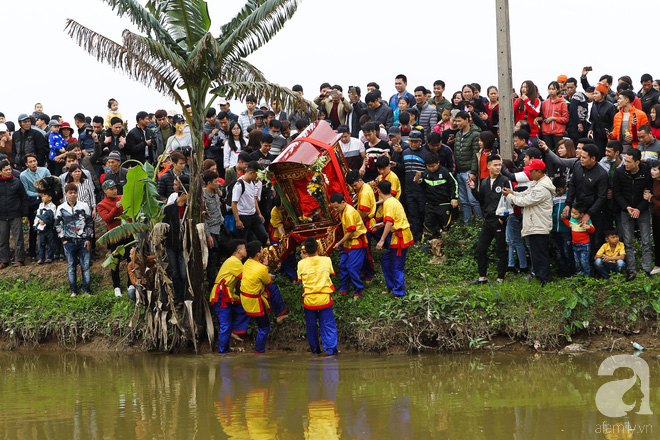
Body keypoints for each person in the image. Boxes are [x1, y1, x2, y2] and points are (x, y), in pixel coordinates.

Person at [503, 159, 555, 284]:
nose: (529, 174)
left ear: (539, 172)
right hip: (534, 224)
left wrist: (510, 196)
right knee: (536, 254)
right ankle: (540, 277)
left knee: (540, 254)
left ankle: (545, 280)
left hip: (539, 225)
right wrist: (513, 192)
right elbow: (525, 194)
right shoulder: (536, 183)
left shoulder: (542, 187)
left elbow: (525, 201)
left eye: (531, 171)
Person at [467, 154, 510, 284]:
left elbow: (510, 200)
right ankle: (482, 277)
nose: (498, 167)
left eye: (500, 165)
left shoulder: (504, 180)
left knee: (500, 249)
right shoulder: (484, 181)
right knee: (481, 248)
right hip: (488, 220)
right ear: (488, 166)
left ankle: (500, 278)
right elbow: (482, 201)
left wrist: (502, 218)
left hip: (499, 220)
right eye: (495, 165)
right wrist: (473, 190)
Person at [240, 241, 288, 353]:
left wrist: (265, 269)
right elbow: (269, 282)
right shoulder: (261, 268)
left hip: (245, 298)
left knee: (272, 290)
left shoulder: (246, 262)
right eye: (262, 249)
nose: (263, 251)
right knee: (264, 327)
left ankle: (279, 314)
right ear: (257, 254)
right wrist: (267, 270)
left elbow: (258, 275)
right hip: (254, 301)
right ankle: (259, 351)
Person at [613, 148, 653, 280]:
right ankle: (631, 270)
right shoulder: (620, 172)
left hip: (642, 209)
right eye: (625, 160)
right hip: (626, 209)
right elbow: (616, 192)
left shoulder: (647, 172)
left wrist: (639, 208)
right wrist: (627, 207)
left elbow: (649, 194)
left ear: (637, 162)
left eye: (629, 162)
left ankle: (646, 269)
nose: (625, 164)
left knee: (646, 241)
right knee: (627, 241)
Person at [297, 237, 338, 356]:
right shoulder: (327, 260)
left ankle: (315, 352)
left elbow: (300, 279)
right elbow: (332, 273)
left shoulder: (301, 263)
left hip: (309, 300)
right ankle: (331, 352)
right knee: (328, 325)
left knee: (311, 328)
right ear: (318, 248)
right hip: (324, 298)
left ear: (305, 250)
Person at [564, 144, 609, 253]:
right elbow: (572, 185)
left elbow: (602, 197)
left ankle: (596, 266)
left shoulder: (601, 174)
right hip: (579, 208)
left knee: (596, 240)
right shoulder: (578, 166)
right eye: (581, 156)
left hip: (595, 211)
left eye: (584, 157)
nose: (581, 159)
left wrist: (589, 214)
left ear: (593, 158)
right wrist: (568, 204)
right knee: (577, 236)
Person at [209, 239, 250, 353]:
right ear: (239, 250)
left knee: (245, 308)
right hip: (221, 295)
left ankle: (235, 331)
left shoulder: (234, 261)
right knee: (225, 324)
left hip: (228, 294)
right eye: (244, 248)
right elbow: (247, 276)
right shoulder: (234, 261)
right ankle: (223, 353)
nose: (246, 250)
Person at [374, 179, 413, 297]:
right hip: (398, 236)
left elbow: (390, 223)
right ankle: (392, 287)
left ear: (378, 191)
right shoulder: (393, 201)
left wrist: (381, 240)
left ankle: (400, 293)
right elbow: (393, 219)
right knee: (386, 261)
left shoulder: (388, 204)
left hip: (400, 237)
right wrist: (381, 224)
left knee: (397, 266)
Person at [55, 183, 94, 297]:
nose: (73, 195)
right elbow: (58, 224)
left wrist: (88, 238)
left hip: (83, 240)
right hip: (69, 241)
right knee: (71, 266)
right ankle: (73, 291)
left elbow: (89, 223)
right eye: (70, 193)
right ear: (65, 194)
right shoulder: (61, 208)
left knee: (85, 266)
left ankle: (86, 290)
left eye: (75, 192)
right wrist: (63, 239)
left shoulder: (84, 206)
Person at [330, 193, 369, 300]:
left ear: (343, 202)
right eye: (334, 208)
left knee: (352, 267)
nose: (336, 210)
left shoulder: (349, 212)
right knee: (343, 265)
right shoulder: (343, 211)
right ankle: (344, 288)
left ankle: (358, 290)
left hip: (356, 241)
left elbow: (350, 233)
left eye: (337, 207)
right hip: (348, 242)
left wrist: (339, 243)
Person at [97, 179, 130, 297]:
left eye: (115, 188)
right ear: (105, 191)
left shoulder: (122, 197)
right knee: (115, 260)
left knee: (131, 258)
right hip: (114, 235)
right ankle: (116, 286)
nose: (114, 191)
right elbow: (107, 219)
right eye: (111, 189)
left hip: (127, 232)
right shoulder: (101, 205)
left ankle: (131, 284)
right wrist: (116, 208)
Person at [417, 151, 458, 240]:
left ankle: (447, 247)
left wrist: (454, 198)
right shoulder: (425, 173)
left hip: (444, 204)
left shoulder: (445, 172)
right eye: (428, 166)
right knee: (428, 226)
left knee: (446, 226)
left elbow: (454, 184)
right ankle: (426, 247)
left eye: (433, 166)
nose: (431, 168)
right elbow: (424, 186)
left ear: (438, 163)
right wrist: (420, 182)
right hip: (430, 204)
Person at [20, 154, 51, 262]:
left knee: (49, 227)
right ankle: (32, 253)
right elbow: (26, 191)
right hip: (33, 201)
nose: (33, 163)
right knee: (34, 229)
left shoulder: (44, 171)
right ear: (26, 164)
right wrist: (39, 195)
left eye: (34, 160)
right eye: (30, 162)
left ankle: (51, 253)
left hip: (47, 200)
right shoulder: (23, 175)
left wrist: (45, 195)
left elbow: (50, 184)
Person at [453, 111, 482, 223]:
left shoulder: (475, 134)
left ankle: (479, 225)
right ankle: (467, 225)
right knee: (464, 201)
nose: (457, 123)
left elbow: (475, 154)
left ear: (466, 120)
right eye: (456, 121)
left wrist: (473, 172)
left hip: (469, 171)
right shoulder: (458, 134)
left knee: (473, 200)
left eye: (459, 120)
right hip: (459, 171)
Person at [163, 183, 188, 306]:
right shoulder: (169, 209)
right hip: (171, 245)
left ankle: (186, 296)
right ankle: (179, 298)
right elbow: (164, 227)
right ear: (183, 195)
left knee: (184, 273)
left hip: (184, 245)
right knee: (175, 273)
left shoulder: (189, 209)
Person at [0, 160, 28, 268]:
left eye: (9, 169)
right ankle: (4, 260)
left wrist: (25, 214)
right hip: (2, 216)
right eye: (6, 170)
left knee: (18, 238)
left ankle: (19, 259)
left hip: (15, 214)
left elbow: (24, 199)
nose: (8, 171)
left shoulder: (17, 182)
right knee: (2, 240)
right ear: (0, 172)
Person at [232, 161, 268, 245]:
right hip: (243, 216)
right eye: (257, 175)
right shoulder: (239, 185)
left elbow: (254, 199)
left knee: (263, 236)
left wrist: (259, 213)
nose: (257, 178)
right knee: (242, 242)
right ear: (251, 173)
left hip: (253, 215)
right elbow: (234, 203)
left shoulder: (252, 183)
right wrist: (237, 220)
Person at [203, 170, 226, 287]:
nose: (218, 183)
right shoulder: (203, 197)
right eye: (216, 182)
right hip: (211, 230)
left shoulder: (216, 193)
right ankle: (212, 283)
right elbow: (204, 218)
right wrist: (208, 235)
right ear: (208, 183)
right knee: (212, 257)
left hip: (220, 227)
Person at [561, 203, 595, 277]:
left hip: (584, 244)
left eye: (575, 213)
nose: (572, 215)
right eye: (572, 212)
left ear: (581, 214)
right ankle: (580, 276)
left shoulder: (586, 221)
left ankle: (586, 277)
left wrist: (588, 227)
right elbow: (570, 225)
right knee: (577, 262)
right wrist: (563, 219)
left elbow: (592, 230)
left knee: (584, 261)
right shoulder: (572, 219)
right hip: (575, 244)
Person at [551, 177, 574, 277]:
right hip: (555, 229)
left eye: (559, 190)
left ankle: (570, 271)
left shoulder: (570, 196)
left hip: (566, 229)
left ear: (565, 187)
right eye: (555, 190)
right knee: (559, 251)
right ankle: (562, 271)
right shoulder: (554, 196)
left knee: (566, 250)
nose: (557, 192)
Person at [589, 83, 617, 157]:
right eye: (593, 93)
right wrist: (591, 129)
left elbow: (613, 121)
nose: (594, 95)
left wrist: (611, 134)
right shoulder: (594, 105)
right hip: (596, 134)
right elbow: (593, 119)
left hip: (606, 135)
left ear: (603, 95)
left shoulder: (610, 106)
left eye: (596, 93)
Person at [540, 81, 569, 151]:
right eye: (549, 89)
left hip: (558, 132)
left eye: (553, 89)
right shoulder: (544, 103)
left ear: (558, 90)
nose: (551, 91)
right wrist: (538, 118)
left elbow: (566, 119)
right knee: (547, 152)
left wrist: (554, 118)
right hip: (546, 131)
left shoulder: (563, 103)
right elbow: (542, 116)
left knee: (558, 152)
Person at [644, 160, 660, 275]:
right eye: (651, 169)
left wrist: (651, 199)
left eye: (655, 169)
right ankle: (658, 264)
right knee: (657, 239)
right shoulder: (653, 180)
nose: (652, 172)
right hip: (656, 215)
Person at [34, 190, 58, 265]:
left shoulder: (53, 206)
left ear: (50, 198)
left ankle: (49, 257)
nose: (43, 198)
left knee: (49, 243)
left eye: (44, 196)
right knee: (41, 243)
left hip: (49, 227)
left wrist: (45, 220)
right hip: (41, 228)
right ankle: (42, 258)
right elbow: (37, 214)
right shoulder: (40, 205)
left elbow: (52, 216)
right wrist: (39, 221)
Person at [565, 78, 591, 143]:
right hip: (574, 124)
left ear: (576, 86)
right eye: (568, 88)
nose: (570, 90)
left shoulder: (577, 95)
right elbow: (572, 109)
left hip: (577, 124)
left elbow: (573, 109)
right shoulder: (569, 97)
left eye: (571, 87)